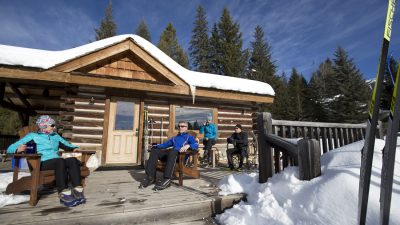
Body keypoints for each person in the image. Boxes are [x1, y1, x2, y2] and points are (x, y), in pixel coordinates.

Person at [6, 115, 85, 207]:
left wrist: (74, 148)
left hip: (57, 162)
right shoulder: (33, 136)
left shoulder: (55, 136)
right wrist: (17, 149)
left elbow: (67, 145)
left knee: (72, 160)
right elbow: (10, 148)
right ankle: (64, 193)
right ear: (43, 126)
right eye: (51, 125)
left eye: (54, 125)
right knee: (60, 161)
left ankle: (77, 191)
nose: (54, 127)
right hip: (41, 163)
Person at [140, 121, 199, 190]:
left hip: (180, 157)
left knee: (173, 150)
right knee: (155, 150)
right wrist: (154, 145)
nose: (180, 128)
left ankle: (167, 179)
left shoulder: (189, 137)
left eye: (182, 126)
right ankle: (150, 177)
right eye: (179, 126)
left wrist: (188, 145)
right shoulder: (174, 138)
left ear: (186, 128)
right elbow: (164, 145)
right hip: (170, 154)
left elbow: (196, 145)